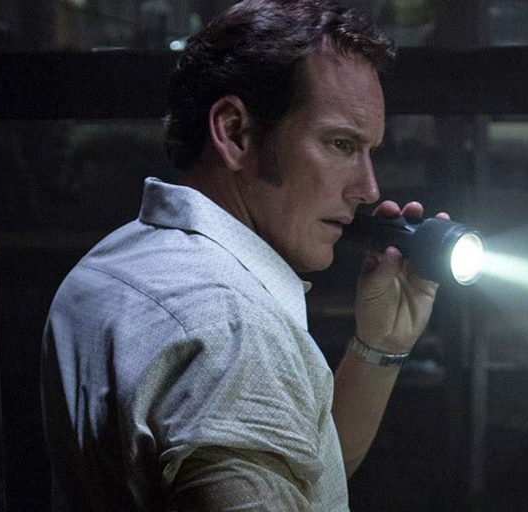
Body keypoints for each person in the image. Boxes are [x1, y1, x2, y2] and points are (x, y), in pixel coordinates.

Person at [41, 1, 445, 510]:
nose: (368, 189)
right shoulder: (234, 333)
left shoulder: (114, 262)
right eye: (341, 144)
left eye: (371, 152)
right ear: (235, 133)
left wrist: (380, 344)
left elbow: (297, 472)